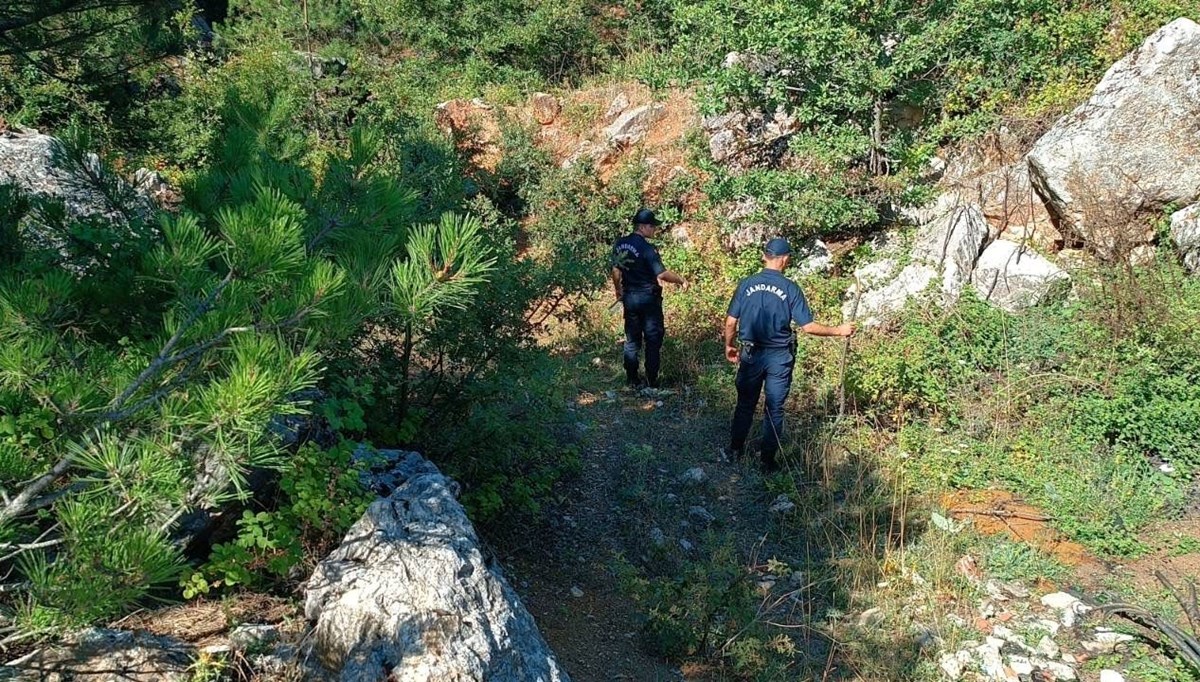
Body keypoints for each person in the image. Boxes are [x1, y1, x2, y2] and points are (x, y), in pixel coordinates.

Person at [723, 237, 854, 472]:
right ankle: (767, 462)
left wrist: (729, 345)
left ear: (765, 256)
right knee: (774, 408)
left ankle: (734, 451)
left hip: (751, 354)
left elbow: (731, 321)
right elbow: (809, 327)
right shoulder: (790, 288)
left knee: (745, 404)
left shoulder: (746, 284)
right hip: (779, 358)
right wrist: (839, 330)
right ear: (784, 260)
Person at [611, 208, 687, 389]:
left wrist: (618, 290)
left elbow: (615, 270)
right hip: (648, 299)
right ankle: (652, 381)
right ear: (643, 227)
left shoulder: (620, 244)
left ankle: (631, 379)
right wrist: (681, 281)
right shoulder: (647, 248)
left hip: (629, 298)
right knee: (653, 339)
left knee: (632, 339)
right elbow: (662, 274)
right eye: (653, 226)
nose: (654, 230)